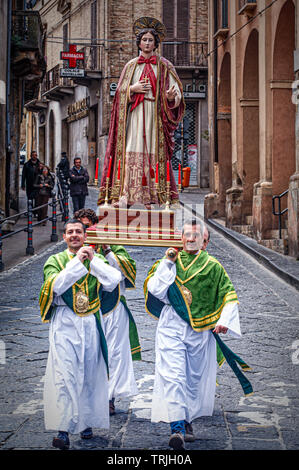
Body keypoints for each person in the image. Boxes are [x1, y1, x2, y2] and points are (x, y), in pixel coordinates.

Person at [144, 218, 252, 450]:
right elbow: (155, 289)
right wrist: (167, 263)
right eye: (187, 235)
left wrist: (224, 321)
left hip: (200, 330)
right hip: (172, 324)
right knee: (173, 375)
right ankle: (177, 428)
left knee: (193, 378)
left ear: (205, 241)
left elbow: (228, 294)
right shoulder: (168, 262)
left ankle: (187, 418)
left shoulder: (213, 266)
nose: (191, 239)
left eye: (196, 235)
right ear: (181, 239)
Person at [39, 219, 122, 450]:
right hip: (66, 321)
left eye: (78, 232)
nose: (74, 235)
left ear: (85, 236)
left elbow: (113, 280)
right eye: (70, 232)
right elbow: (56, 286)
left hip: (90, 322)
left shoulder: (98, 260)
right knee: (65, 375)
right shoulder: (54, 261)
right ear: (64, 237)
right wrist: (77, 261)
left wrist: (93, 261)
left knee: (89, 373)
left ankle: (86, 422)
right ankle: (63, 429)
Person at [98, 17, 185, 209]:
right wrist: (133, 89)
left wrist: (172, 97)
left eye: (150, 40)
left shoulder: (164, 66)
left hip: (154, 115)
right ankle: (125, 195)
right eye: (144, 40)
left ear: (156, 43)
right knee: (130, 150)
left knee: (152, 153)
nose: (147, 43)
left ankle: (153, 198)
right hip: (135, 115)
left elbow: (177, 91)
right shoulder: (131, 66)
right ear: (139, 43)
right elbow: (119, 93)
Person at [99, 244, 141, 415]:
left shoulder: (116, 248)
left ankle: (109, 398)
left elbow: (124, 273)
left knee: (114, 354)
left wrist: (108, 250)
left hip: (114, 308)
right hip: (85, 309)